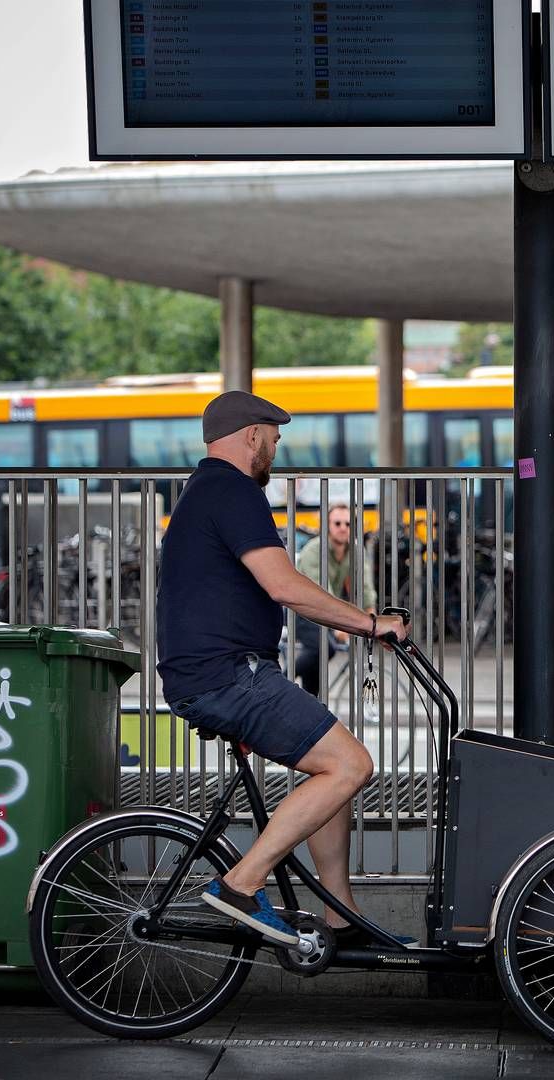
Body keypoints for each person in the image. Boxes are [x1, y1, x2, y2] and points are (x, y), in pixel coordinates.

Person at [157, 391, 407, 949]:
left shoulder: (205, 490)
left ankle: (340, 921)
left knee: (334, 772)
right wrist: (371, 624)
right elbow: (285, 587)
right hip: (227, 675)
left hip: (225, 672)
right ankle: (241, 883)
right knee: (351, 764)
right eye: (274, 436)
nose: (276, 447)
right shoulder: (232, 490)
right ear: (252, 434)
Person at [292, 502, 375, 697]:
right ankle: (281, 677)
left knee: (318, 658)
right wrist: (339, 625)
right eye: (337, 523)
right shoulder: (314, 550)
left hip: (326, 613)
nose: (343, 528)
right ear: (327, 525)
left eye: (347, 524)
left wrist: (371, 618)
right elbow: (321, 592)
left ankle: (310, 702)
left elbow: (365, 586)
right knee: (324, 648)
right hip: (301, 609)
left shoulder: (355, 550)